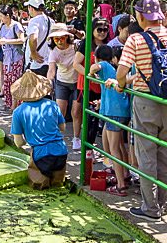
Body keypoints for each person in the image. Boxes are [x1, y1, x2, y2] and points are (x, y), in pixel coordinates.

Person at [108, 0, 167, 221]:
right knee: (165, 155)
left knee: (146, 154)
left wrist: (120, 85)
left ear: (140, 16)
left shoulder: (135, 40)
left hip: (146, 100)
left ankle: (150, 208)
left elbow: (121, 72)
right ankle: (161, 203)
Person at [10, 70, 68, 189]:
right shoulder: (52, 105)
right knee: (58, 186)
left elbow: (19, 142)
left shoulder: (18, 112)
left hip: (41, 157)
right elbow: (63, 128)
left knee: (39, 187)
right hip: (61, 152)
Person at [90, 44, 131, 195]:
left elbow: (95, 67)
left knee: (114, 149)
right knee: (119, 145)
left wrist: (91, 72)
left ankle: (121, 185)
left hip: (114, 111)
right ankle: (125, 174)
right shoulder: (113, 68)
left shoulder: (104, 65)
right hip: (121, 110)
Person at [73, 18, 109, 150]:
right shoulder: (86, 44)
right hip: (87, 87)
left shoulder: (108, 45)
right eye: (99, 29)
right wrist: (90, 76)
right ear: (92, 29)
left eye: (105, 30)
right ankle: (86, 149)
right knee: (88, 119)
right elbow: (76, 64)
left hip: (102, 88)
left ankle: (90, 149)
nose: (102, 32)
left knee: (97, 120)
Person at [46, 22, 80, 150]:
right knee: (60, 111)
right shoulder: (53, 52)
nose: (59, 41)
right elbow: (51, 70)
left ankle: (76, 138)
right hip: (62, 82)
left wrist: (76, 31)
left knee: (76, 112)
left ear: (67, 37)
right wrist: (49, 82)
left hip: (77, 82)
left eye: (62, 38)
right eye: (56, 38)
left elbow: (84, 37)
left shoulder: (75, 46)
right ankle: (58, 137)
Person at [0, 5, 25, 110]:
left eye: (1, 16)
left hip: (16, 58)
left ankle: (16, 106)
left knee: (15, 81)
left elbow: (22, 40)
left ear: (8, 15)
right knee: (7, 81)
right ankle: (9, 104)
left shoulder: (16, 26)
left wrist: (7, 41)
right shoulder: (2, 27)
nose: (0, 19)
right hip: (6, 58)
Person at [24, 0, 52, 77]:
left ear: (31, 8)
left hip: (35, 64)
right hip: (47, 62)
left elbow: (33, 38)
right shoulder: (51, 21)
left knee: (33, 89)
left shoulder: (34, 21)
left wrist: (33, 52)